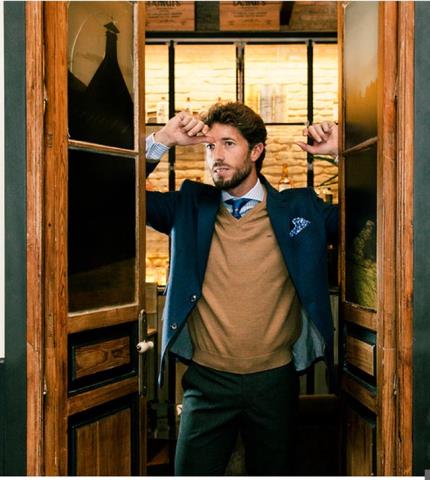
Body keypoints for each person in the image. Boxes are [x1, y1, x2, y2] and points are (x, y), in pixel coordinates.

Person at [145, 102, 338, 475]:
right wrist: (163, 140)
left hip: (275, 382)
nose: (216, 156)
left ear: (256, 150)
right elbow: (113, 193)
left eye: (228, 144)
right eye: (210, 146)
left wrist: (342, 154)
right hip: (206, 382)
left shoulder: (300, 208)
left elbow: (380, 210)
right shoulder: (188, 205)